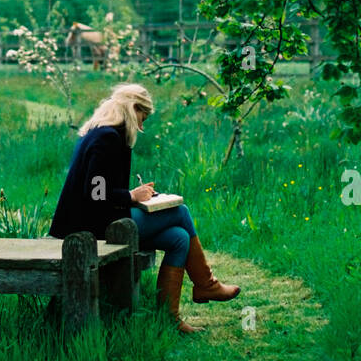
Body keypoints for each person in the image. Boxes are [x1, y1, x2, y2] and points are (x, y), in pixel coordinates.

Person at [49, 82, 239, 334]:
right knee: (181, 212)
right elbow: (95, 194)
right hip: (90, 227)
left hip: (99, 219)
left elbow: (101, 188)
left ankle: (169, 319)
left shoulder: (102, 133)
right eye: (143, 117)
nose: (142, 125)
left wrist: (138, 197)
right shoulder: (107, 137)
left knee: (179, 238)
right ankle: (206, 283)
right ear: (132, 108)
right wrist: (131, 195)